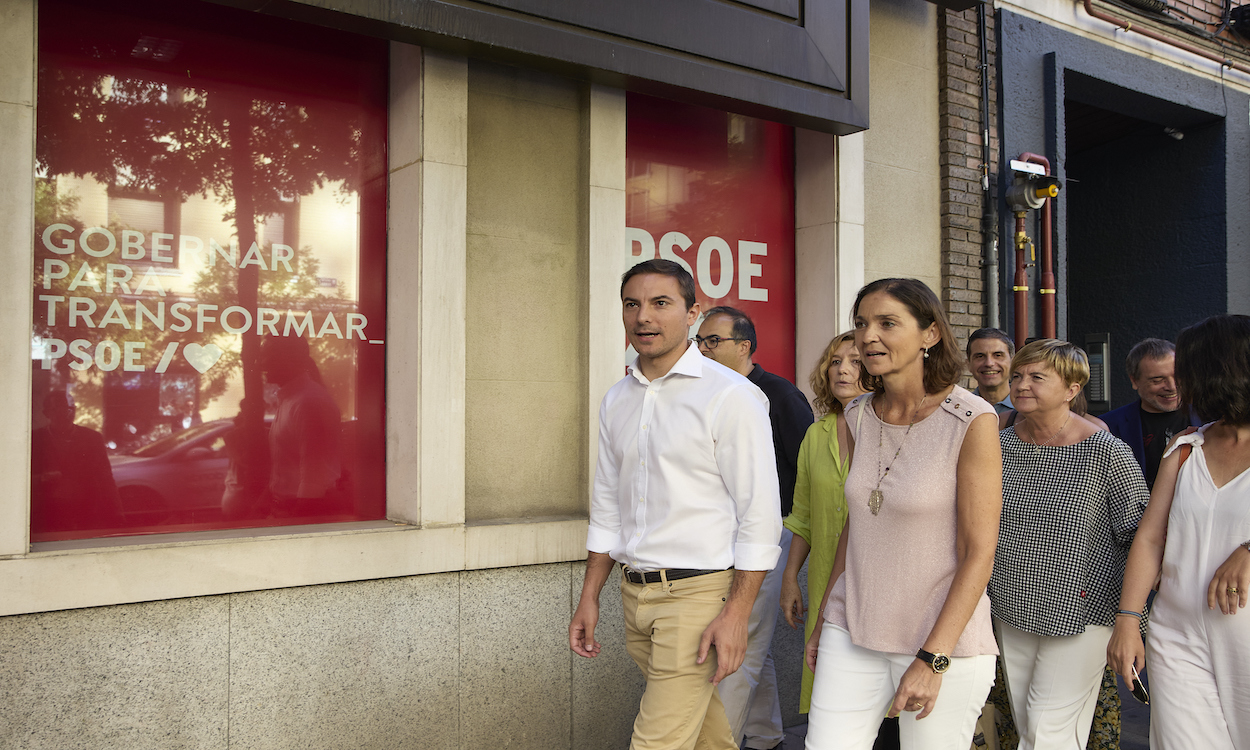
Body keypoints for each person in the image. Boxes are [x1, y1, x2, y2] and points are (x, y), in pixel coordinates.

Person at [568, 259, 782, 750]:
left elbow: (759, 516)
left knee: (657, 741)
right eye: (632, 304)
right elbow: (606, 503)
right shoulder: (616, 398)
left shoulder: (732, 396)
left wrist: (737, 614)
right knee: (706, 736)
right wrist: (590, 595)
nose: (644, 317)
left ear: (692, 312)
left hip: (699, 599)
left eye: (661, 303)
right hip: (635, 594)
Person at [804, 278, 1001, 750]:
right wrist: (825, 618)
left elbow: (979, 553)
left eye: (887, 323)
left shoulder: (971, 420)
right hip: (851, 629)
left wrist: (934, 658)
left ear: (929, 334)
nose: (868, 336)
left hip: (939, 641)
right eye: (861, 324)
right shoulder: (855, 416)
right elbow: (857, 526)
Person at [988, 339, 1148, 750]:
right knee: (1031, 727)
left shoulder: (1106, 452)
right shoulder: (997, 447)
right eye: (1019, 375)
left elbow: (1141, 535)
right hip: (1011, 604)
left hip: (1084, 610)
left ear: (1072, 389)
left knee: (1047, 732)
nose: (1021, 384)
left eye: (1037, 377)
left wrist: (1133, 618)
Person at [1108, 314, 1250, 749]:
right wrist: (1129, 621)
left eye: (1185, 368)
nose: (1178, 381)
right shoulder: (1186, 448)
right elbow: (1150, 538)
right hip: (1177, 632)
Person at [698, 305, 813, 750]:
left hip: (770, 535)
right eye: (699, 341)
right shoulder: (711, 393)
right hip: (722, 539)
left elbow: (808, 467)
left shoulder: (778, 395)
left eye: (713, 341)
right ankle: (764, 736)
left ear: (744, 347)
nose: (702, 350)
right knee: (751, 643)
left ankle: (718, 740)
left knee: (740, 646)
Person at [777, 332, 866, 711]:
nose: (842, 369)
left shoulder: (892, 430)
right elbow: (804, 516)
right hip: (827, 579)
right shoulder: (816, 433)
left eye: (855, 361)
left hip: (879, 584)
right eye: (835, 361)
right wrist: (789, 576)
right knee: (833, 694)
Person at [1101, 338, 1200, 488]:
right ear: (1134, 381)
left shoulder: (1211, 417)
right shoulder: (1107, 427)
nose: (1172, 387)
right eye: (1158, 380)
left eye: (1177, 376)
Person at [260, 335, 342, 517]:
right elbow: (287, 466)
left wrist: (295, 525)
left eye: (267, 355)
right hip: (286, 509)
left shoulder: (307, 402)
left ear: (288, 358)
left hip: (299, 512)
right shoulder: (292, 399)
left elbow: (313, 478)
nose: (262, 364)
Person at [30, 389, 122, 533]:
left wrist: (117, 512)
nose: (65, 413)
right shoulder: (35, 439)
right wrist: (42, 479)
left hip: (87, 512)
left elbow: (106, 478)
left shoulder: (93, 438)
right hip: (47, 514)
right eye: (58, 408)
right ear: (46, 413)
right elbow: (19, 480)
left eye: (69, 408)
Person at [967, 328, 1015, 414]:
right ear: (969, 364)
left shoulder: (1029, 409)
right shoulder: (959, 409)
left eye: (998, 355)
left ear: (1013, 362)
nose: (989, 363)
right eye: (980, 356)